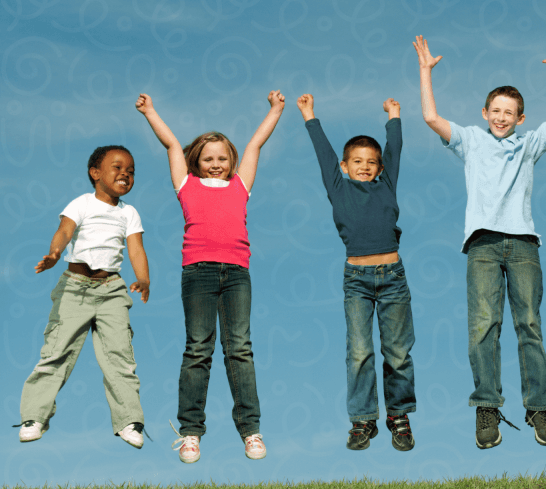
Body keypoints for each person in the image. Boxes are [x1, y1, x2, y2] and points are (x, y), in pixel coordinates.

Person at [414, 35, 546, 448]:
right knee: (484, 328)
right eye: (496, 111)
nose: (502, 118)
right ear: (484, 112)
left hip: (523, 244)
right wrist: (426, 71)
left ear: (521, 118)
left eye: (510, 113)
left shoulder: (529, 144)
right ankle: (487, 406)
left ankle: (539, 407)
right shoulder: (470, 139)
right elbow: (431, 117)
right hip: (483, 246)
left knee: (529, 326)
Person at [136, 91, 285, 462]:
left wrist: (276, 109)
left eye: (222, 158)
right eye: (208, 158)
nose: (215, 164)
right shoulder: (186, 185)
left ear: (231, 161)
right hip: (198, 274)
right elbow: (170, 143)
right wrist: (150, 111)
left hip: (237, 274)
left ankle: (251, 431)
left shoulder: (240, 185)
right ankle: (190, 432)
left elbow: (255, 143)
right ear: (196, 162)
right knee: (198, 349)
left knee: (240, 350)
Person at [297, 94, 416, 452]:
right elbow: (322, 153)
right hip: (357, 282)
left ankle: (398, 416)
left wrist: (394, 116)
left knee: (397, 352)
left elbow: (394, 149)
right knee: (360, 352)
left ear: (380, 168)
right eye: (357, 161)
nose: (365, 166)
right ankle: (363, 419)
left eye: (371, 162)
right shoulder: (338, 187)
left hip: (393, 277)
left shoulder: (386, 184)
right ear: (344, 165)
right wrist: (309, 115)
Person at [18, 145, 150, 448]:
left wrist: (143, 278)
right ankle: (34, 416)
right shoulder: (82, 203)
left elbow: (136, 249)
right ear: (95, 173)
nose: (125, 174)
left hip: (112, 290)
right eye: (117, 167)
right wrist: (55, 253)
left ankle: (129, 420)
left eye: (130, 171)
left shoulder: (128, 212)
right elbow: (65, 231)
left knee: (120, 357)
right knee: (56, 351)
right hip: (75, 286)